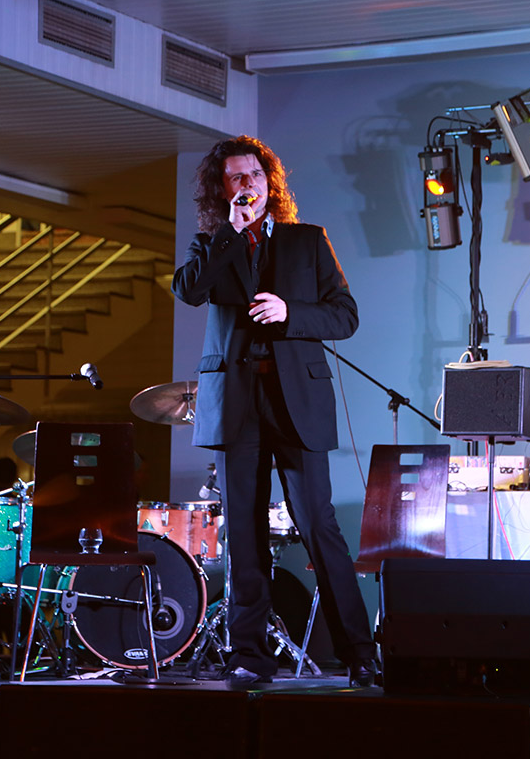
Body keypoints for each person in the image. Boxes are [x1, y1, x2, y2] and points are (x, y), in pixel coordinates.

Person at [172, 135, 377, 687]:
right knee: (243, 531)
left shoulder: (307, 241)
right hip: (236, 403)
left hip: (296, 402)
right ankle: (250, 656)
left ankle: (360, 653)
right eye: (237, 178)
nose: (249, 185)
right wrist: (230, 235)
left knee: (318, 524)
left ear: (270, 184)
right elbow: (189, 291)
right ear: (222, 189)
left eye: (256, 176)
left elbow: (345, 316)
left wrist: (290, 312)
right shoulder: (210, 244)